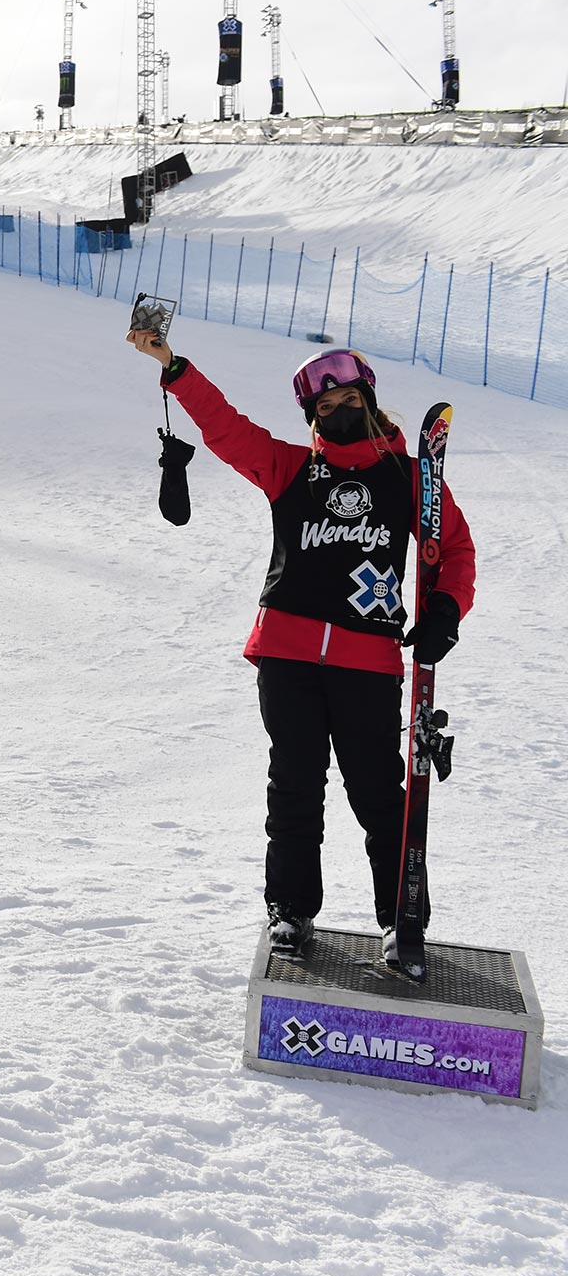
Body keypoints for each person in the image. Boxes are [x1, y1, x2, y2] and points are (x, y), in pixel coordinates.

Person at [125, 331, 475, 966]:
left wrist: (446, 611)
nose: (334, 409)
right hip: (286, 658)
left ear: (368, 398)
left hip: (367, 661)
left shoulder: (412, 480)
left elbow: (454, 551)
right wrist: (173, 368)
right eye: (322, 405)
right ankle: (290, 911)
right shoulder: (290, 469)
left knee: (376, 791)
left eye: (345, 396)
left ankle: (402, 919)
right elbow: (227, 430)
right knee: (294, 785)